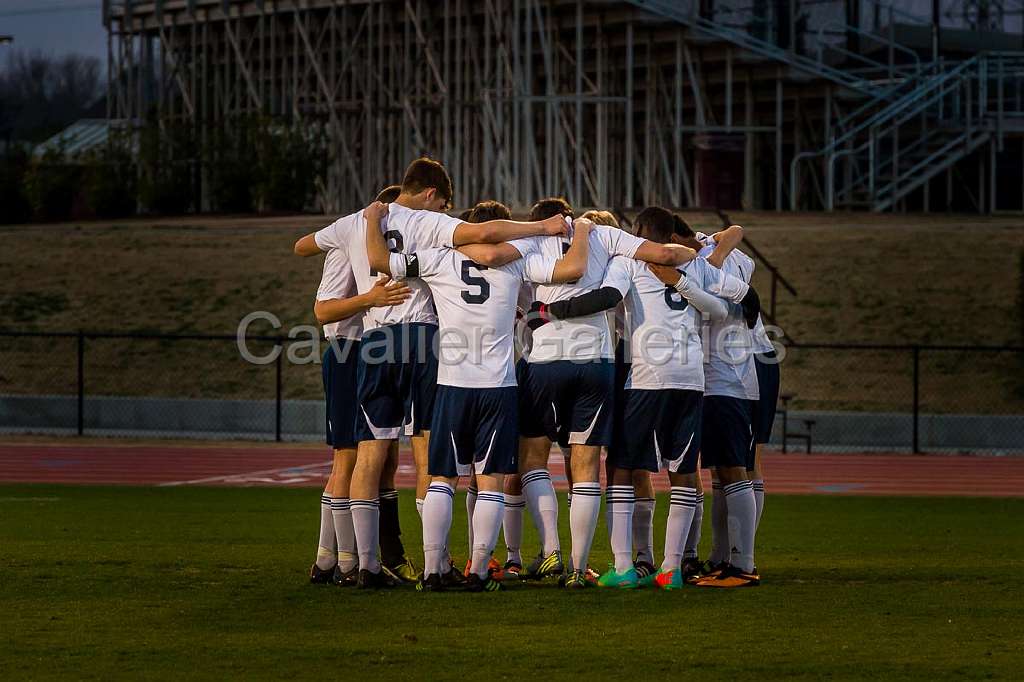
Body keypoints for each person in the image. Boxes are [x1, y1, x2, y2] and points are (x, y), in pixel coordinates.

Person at [349, 158, 570, 588]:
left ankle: (433, 570)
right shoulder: (518, 258)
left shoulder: (438, 258)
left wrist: (374, 219)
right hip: (499, 386)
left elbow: (378, 258)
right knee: (488, 482)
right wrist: (568, 231)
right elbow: (568, 270)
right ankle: (477, 569)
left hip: (452, 383)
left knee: (442, 480)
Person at [527, 206, 756, 589]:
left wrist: (550, 311)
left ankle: (625, 567)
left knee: (621, 470)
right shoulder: (694, 264)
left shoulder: (630, 262)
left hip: (647, 379)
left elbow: (606, 297)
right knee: (683, 473)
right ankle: (671, 569)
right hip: (690, 380)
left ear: (640, 234)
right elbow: (723, 309)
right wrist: (683, 283)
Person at [295, 185, 419, 585]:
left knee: (377, 459)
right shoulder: (352, 239)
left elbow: (303, 245)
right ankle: (346, 563)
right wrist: (370, 298)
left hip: (367, 351)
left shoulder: (358, 236)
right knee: (349, 459)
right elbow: (322, 310)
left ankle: (330, 560)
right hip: (349, 352)